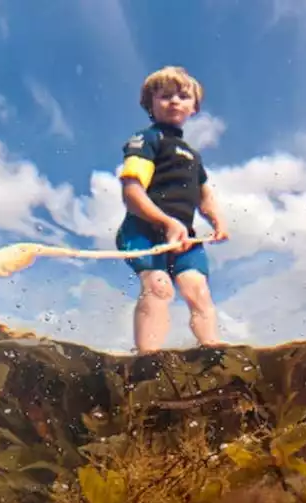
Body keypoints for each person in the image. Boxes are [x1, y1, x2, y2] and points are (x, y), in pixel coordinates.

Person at [115, 66, 230, 353]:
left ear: (194, 107)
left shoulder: (194, 156)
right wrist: (165, 221)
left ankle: (212, 351)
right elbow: (131, 192)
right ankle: (147, 358)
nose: (175, 101)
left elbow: (204, 196)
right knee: (159, 285)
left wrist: (218, 221)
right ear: (150, 105)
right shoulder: (146, 140)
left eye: (182, 96)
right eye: (165, 96)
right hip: (143, 229)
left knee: (198, 291)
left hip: (184, 238)